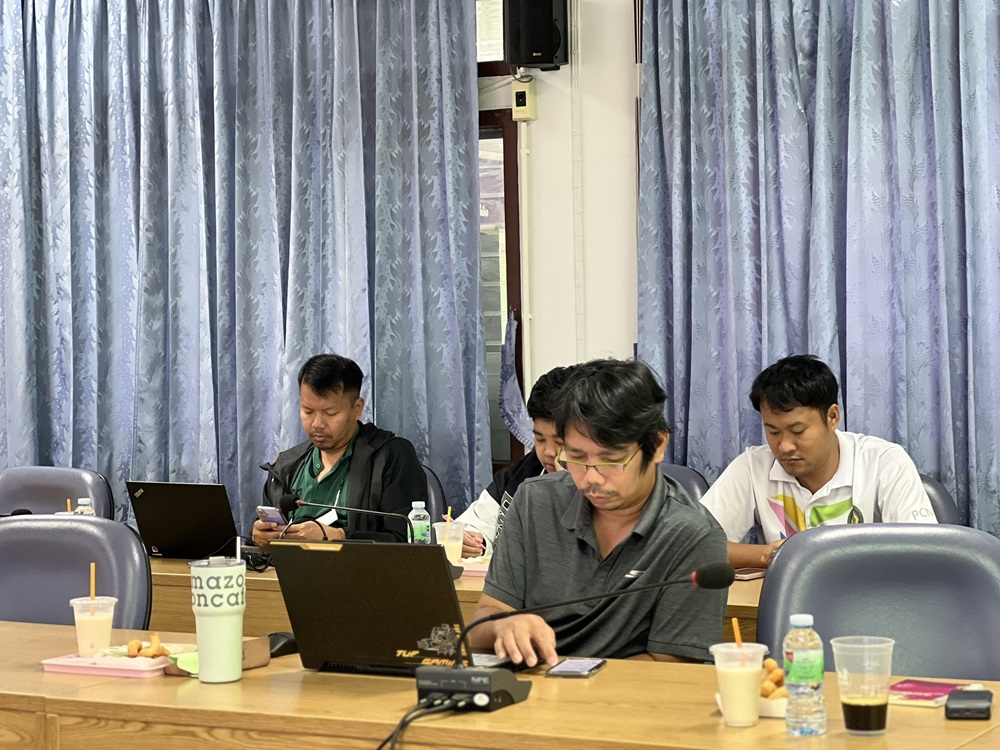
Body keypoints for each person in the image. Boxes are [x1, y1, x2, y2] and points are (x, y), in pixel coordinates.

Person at [468, 359, 729, 667]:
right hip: (530, 686)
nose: (591, 478)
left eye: (610, 460)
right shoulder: (533, 500)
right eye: (576, 457)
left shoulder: (693, 535)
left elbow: (669, 667)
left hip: (625, 693)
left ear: (657, 445)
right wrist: (502, 627)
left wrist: (567, 676)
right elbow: (484, 620)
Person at [700, 354, 936, 569]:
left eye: (798, 431)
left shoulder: (884, 462)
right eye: (773, 432)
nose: (784, 446)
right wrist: (768, 555)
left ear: (832, 417)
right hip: (786, 600)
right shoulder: (753, 466)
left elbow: (925, 553)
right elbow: (692, 545)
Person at [252, 354, 427, 547]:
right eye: (308, 411)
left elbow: (407, 541)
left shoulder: (391, 456)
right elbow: (265, 539)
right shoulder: (286, 466)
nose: (317, 424)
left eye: (330, 413)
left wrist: (339, 536)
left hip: (360, 566)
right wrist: (260, 538)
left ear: (357, 408)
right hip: (288, 566)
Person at [455, 365, 575, 558]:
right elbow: (478, 521)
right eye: (540, 439)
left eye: (560, 442)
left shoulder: (596, 486)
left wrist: (565, 484)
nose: (548, 452)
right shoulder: (523, 473)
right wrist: (475, 542)